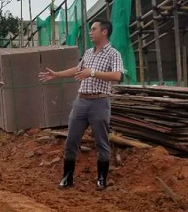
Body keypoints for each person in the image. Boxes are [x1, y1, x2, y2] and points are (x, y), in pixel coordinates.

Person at [38, 20, 124, 191]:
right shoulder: (89, 53)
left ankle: (101, 179)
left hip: (100, 101)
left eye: (94, 29)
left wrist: (92, 73)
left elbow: (117, 76)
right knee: (71, 140)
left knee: (101, 141)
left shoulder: (113, 54)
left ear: (104, 32)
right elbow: (78, 70)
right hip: (81, 101)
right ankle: (67, 178)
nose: (90, 32)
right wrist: (57, 75)